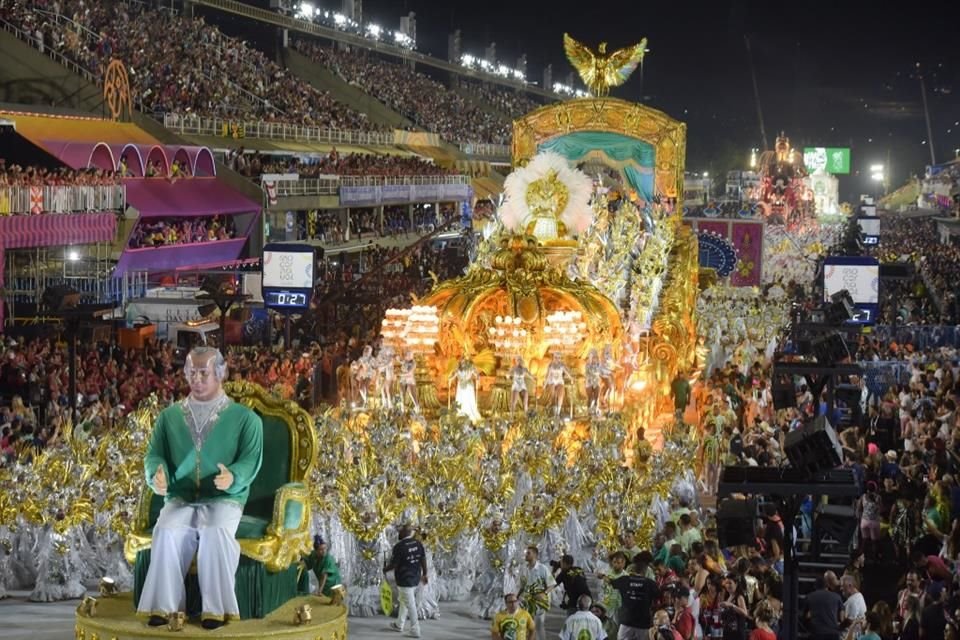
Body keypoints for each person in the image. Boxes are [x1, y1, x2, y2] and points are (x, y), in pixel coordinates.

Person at [137, 347, 264, 630]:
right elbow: (154, 454)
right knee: (166, 530)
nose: (197, 378)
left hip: (224, 498)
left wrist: (234, 476)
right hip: (180, 496)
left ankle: (216, 609)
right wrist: (156, 472)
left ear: (220, 373)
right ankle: (164, 607)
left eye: (203, 372)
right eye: (191, 372)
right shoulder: (169, 417)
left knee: (216, 531)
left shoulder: (246, 418)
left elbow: (251, 459)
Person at [384, 523, 428, 638]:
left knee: (410, 604)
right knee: (404, 600)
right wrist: (425, 574)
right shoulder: (418, 544)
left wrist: (384, 569)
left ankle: (415, 629)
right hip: (415, 577)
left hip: (404, 579)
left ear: (405, 532)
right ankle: (399, 624)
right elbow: (423, 559)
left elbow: (394, 564)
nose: (398, 533)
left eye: (400, 531)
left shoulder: (399, 546)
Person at [611, 555, 660, 640]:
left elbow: (612, 582)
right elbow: (658, 595)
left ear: (633, 570)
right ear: (645, 572)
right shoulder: (651, 583)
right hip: (643, 624)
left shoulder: (624, 580)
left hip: (626, 622)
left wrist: (602, 576)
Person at [518, 545, 556, 640]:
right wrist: (517, 597)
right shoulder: (523, 569)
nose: (526, 555)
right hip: (526, 602)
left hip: (540, 603)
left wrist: (544, 593)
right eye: (526, 553)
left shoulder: (543, 568)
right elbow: (522, 586)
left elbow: (551, 584)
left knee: (539, 625)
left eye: (528, 553)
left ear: (535, 555)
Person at [803, 576, 843, 640]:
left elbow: (805, 617)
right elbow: (842, 618)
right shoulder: (837, 597)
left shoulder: (809, 597)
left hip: (816, 633)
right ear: (827, 586)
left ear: (815, 586)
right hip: (833, 634)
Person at [450, 356, 481, 422]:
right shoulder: (458, 368)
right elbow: (453, 375)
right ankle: (460, 413)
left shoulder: (471, 367)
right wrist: (450, 380)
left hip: (468, 386)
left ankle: (469, 413)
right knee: (461, 400)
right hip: (461, 386)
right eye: (462, 361)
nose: (463, 362)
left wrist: (478, 380)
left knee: (468, 400)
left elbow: (477, 374)